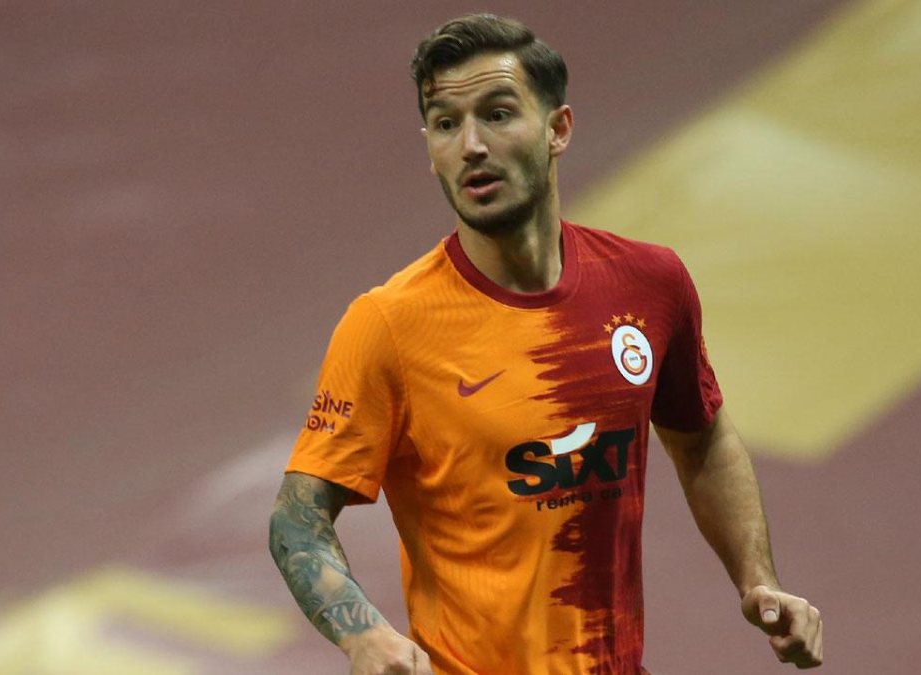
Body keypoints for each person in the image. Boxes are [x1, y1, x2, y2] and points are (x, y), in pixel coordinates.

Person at [269, 13, 822, 674]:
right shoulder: (389, 324)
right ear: (430, 149)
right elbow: (298, 519)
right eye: (445, 124)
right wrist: (363, 633)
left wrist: (757, 580)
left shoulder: (650, 283)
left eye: (498, 114)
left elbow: (702, 439)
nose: (471, 145)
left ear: (558, 129)